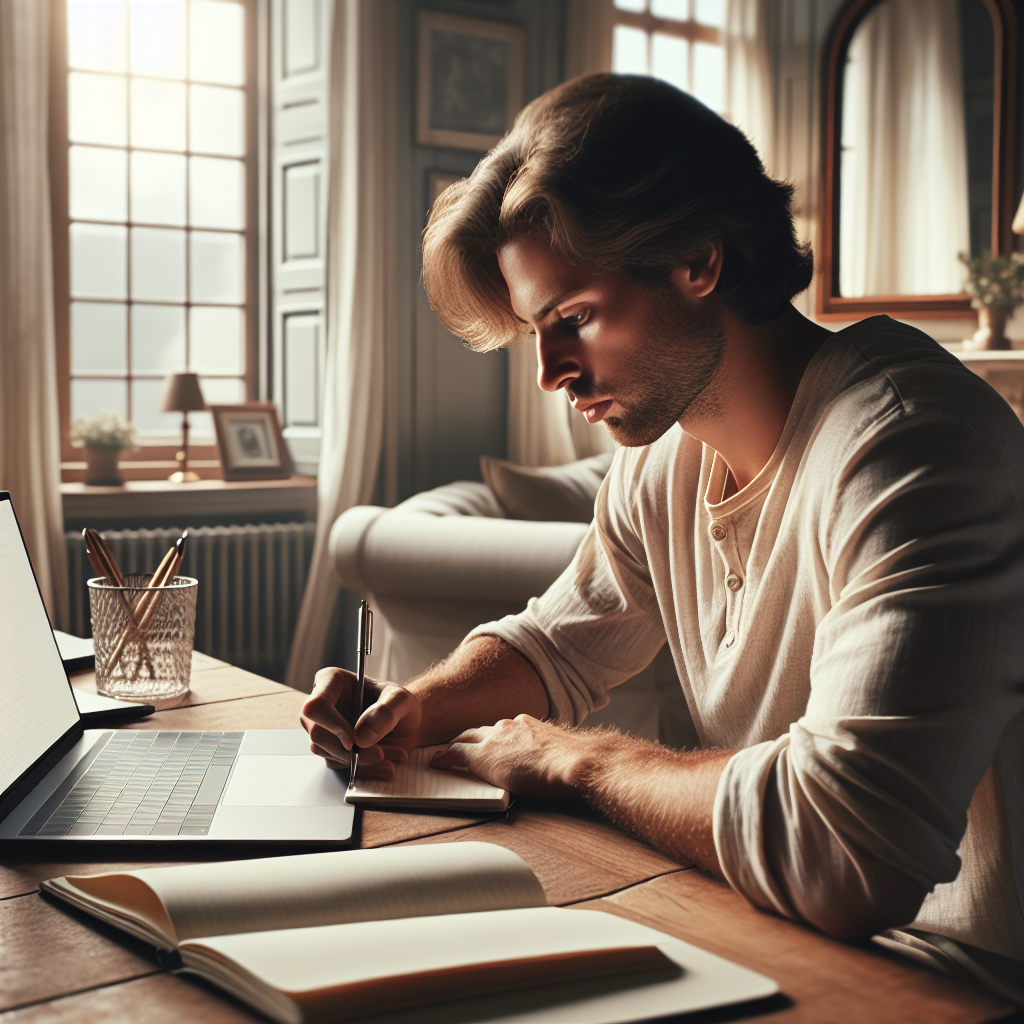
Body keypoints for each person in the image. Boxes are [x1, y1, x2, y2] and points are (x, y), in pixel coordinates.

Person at [300, 74, 1024, 994]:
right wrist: (412, 705)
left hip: (962, 978)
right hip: (773, 932)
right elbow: (560, 643)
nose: (550, 372)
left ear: (697, 261)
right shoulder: (664, 458)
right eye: (535, 331)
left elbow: (849, 854)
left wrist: (578, 757)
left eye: (574, 321)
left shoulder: (915, 448)